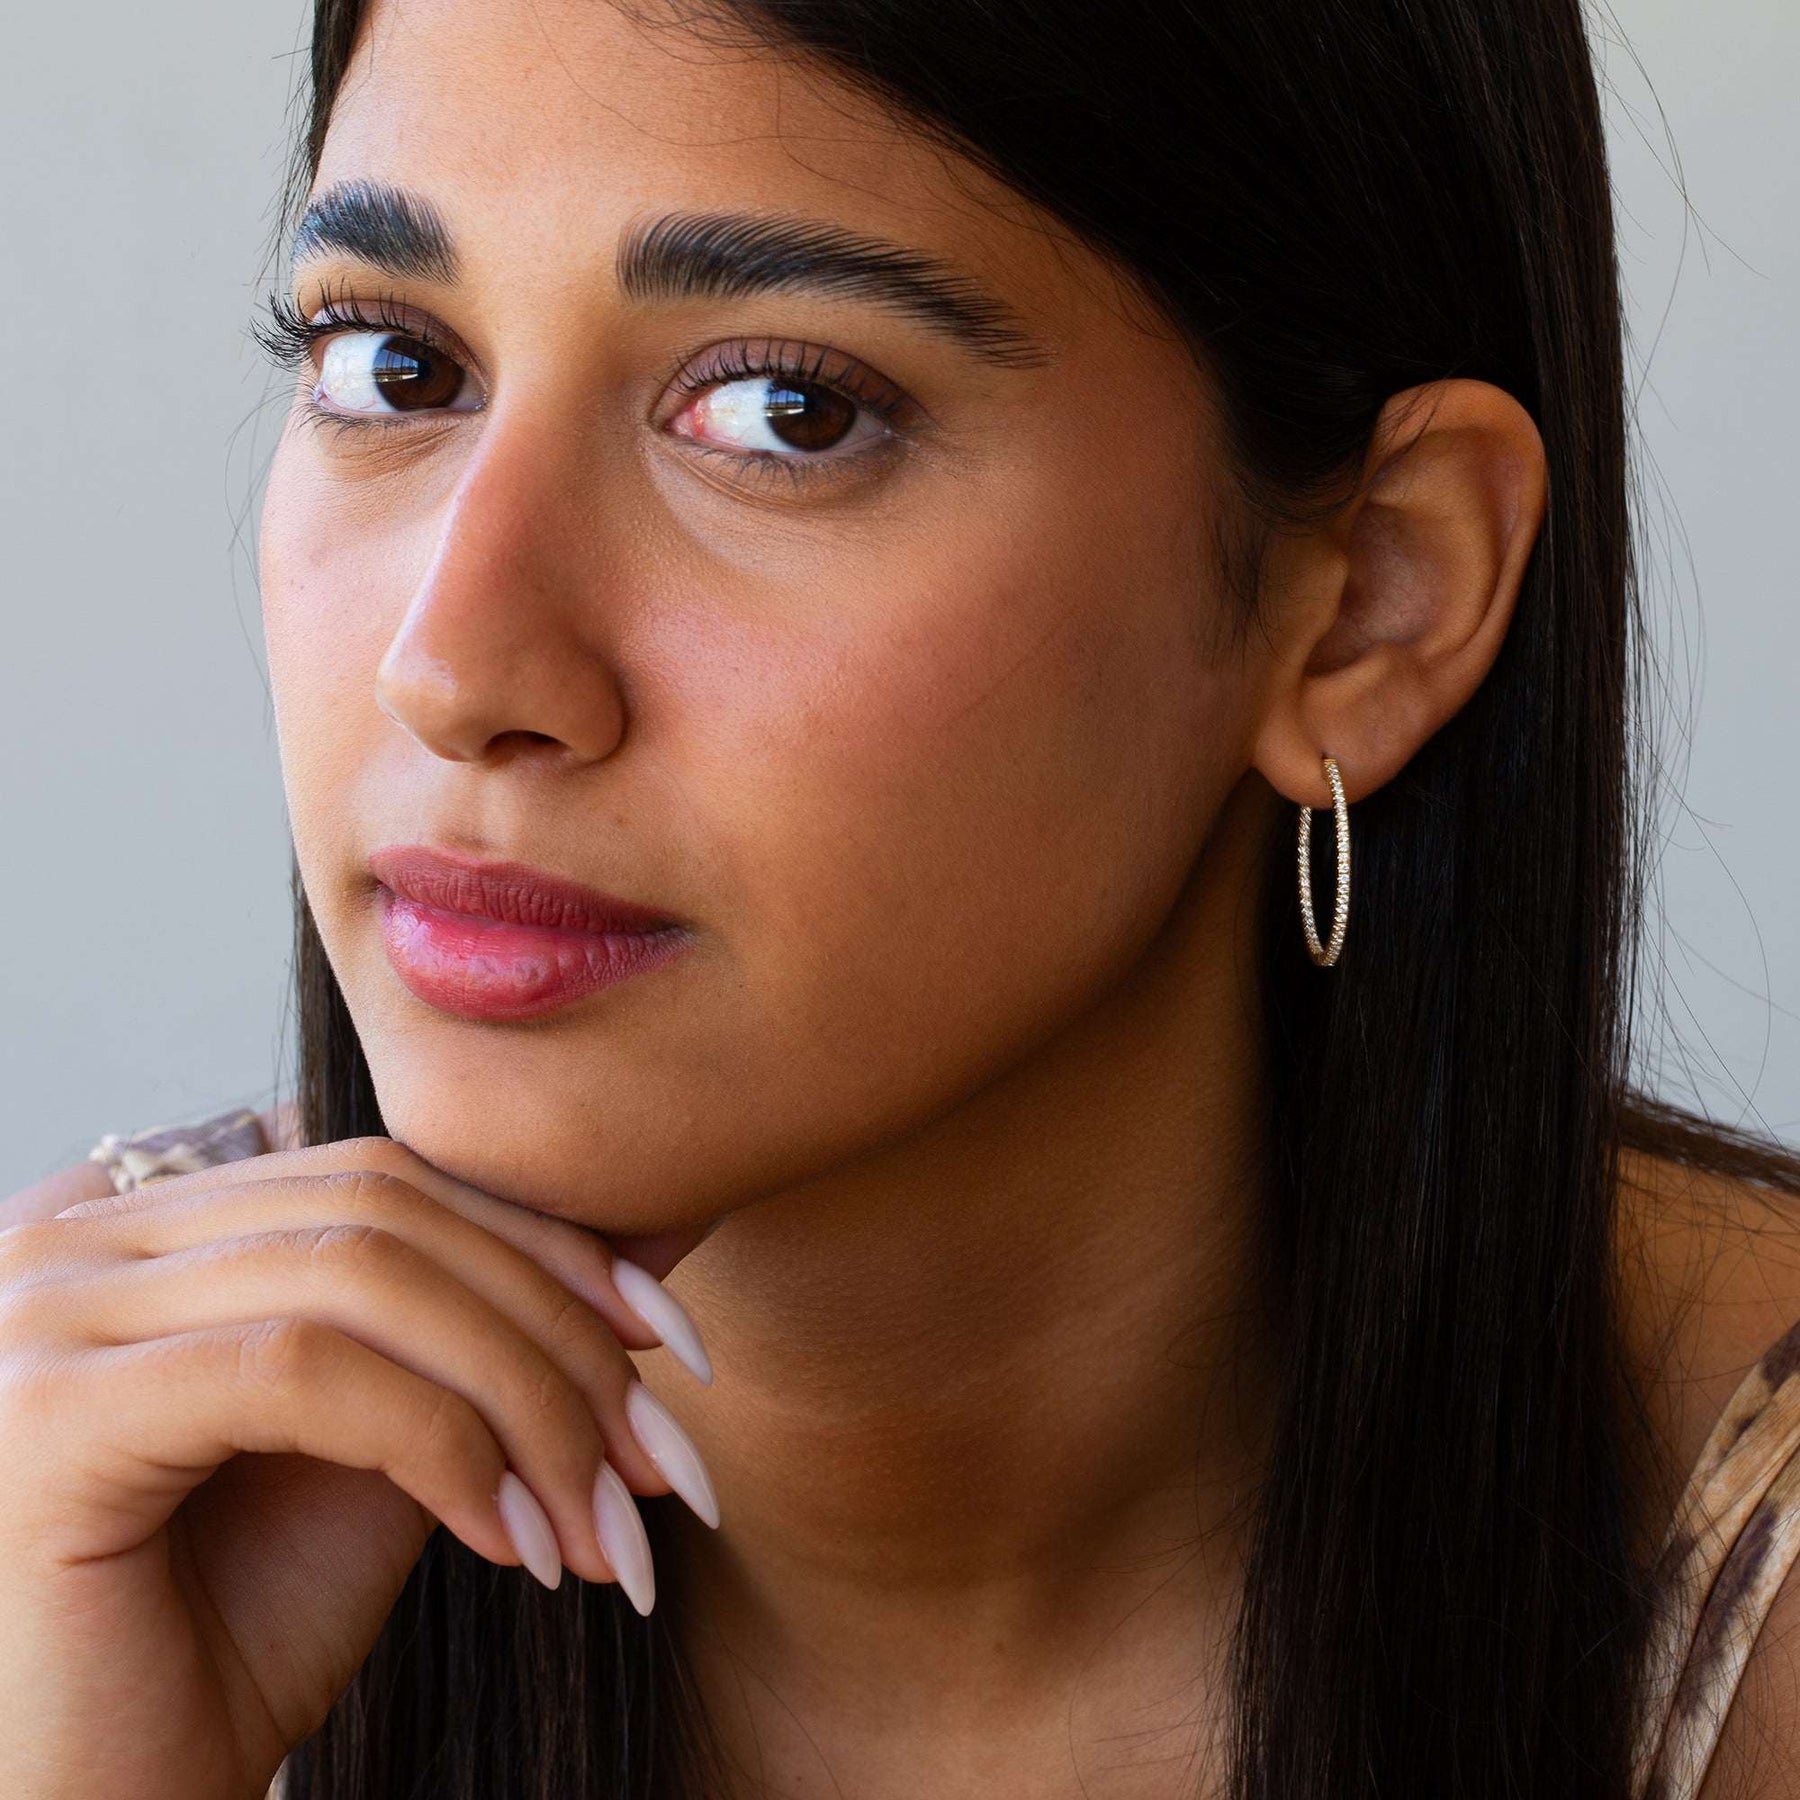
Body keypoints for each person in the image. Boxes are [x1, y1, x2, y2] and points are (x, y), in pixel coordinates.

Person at [3, 0, 1799, 1795]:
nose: (455, 666)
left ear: (1372, 597)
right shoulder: (82, 1538)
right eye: (395, 369)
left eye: (786, 414)